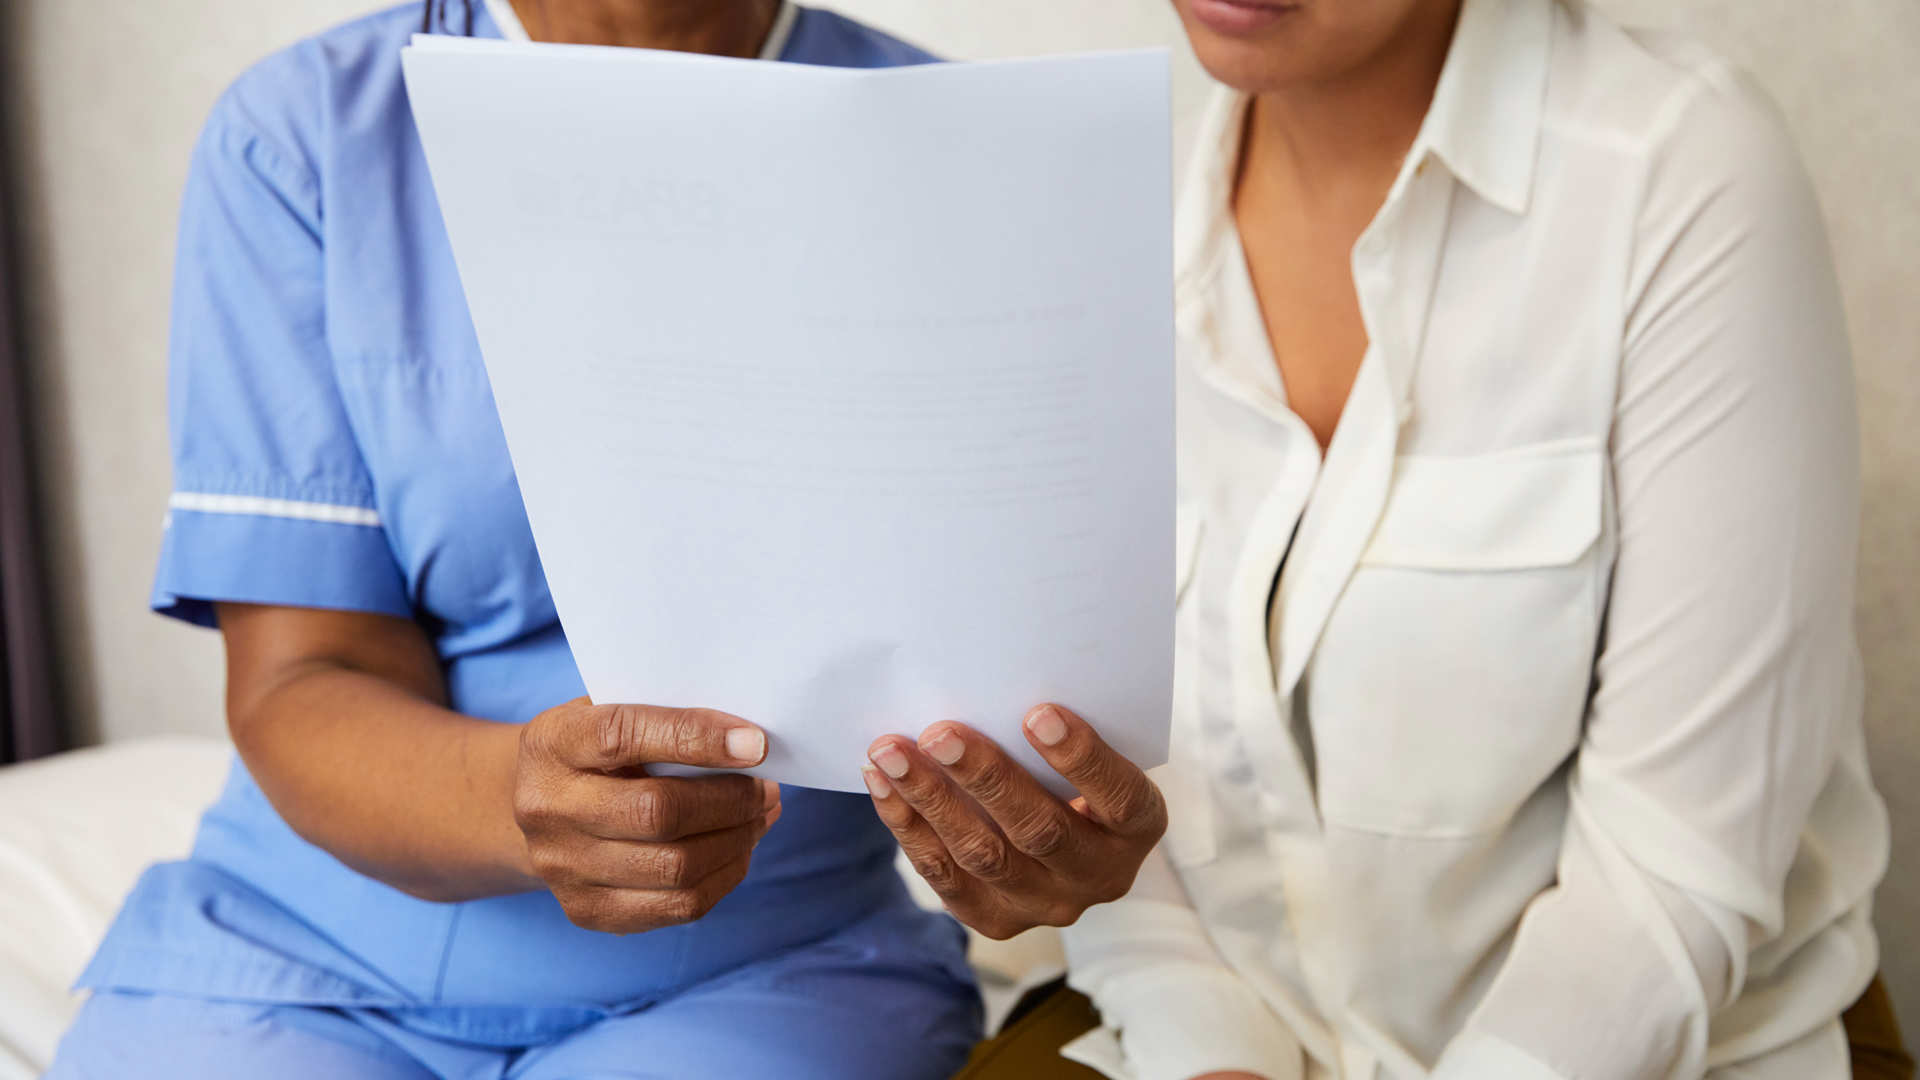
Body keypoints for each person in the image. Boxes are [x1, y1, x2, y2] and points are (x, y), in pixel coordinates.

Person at [869, 0, 1895, 1077]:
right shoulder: (1107, 220)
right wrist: (1210, 1053)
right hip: (1224, 1036)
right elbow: (1120, 817)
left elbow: (1676, 880)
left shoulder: (1678, 172)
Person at [47, 4, 991, 1078]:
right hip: (308, 952)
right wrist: (528, 801)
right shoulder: (306, 132)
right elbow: (304, 675)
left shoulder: (952, 147)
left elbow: (1005, 656)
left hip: (766, 962)